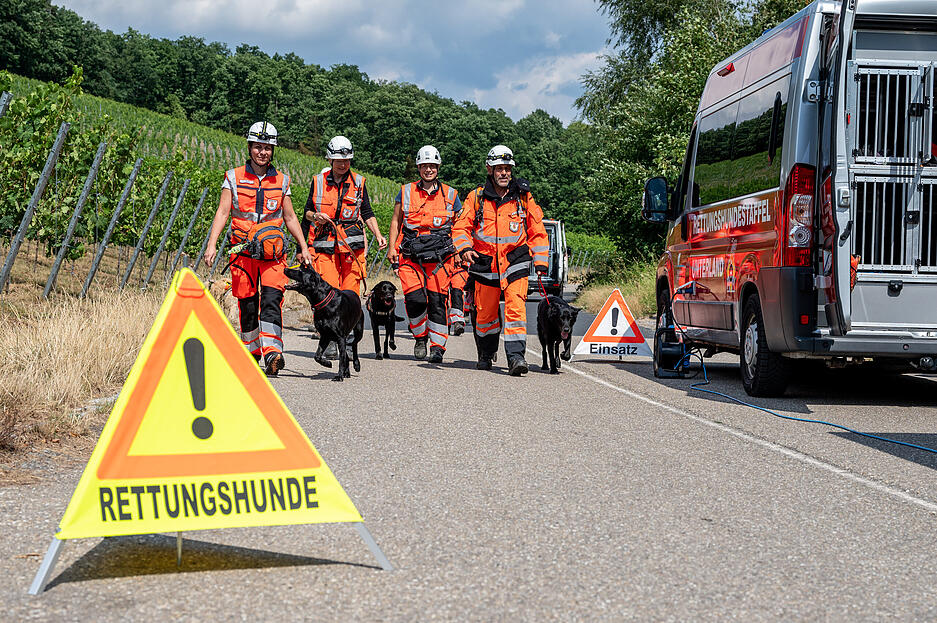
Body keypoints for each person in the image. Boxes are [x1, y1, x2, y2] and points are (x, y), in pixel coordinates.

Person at [204, 121, 313, 377]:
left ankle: (273, 352)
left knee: (273, 300)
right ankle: (252, 353)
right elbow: (222, 212)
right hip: (242, 252)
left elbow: (290, 217)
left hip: (273, 253)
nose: (262, 152)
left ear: (272, 151)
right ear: (250, 147)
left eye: (267, 148)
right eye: (258, 147)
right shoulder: (233, 176)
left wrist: (303, 246)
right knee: (248, 304)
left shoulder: (282, 180)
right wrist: (212, 245)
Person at [452, 145, 549, 376]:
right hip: (484, 264)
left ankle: (516, 358)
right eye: (499, 169)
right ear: (489, 170)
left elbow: (537, 230)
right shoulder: (476, 197)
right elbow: (460, 227)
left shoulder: (523, 197)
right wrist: (464, 248)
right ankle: (486, 353)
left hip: (515, 262)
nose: (504, 173)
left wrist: (541, 261)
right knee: (485, 314)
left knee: (516, 309)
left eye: (507, 168)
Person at [302, 136, 386, 359]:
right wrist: (315, 217)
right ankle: (328, 341)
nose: (343, 164)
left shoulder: (359, 182)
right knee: (327, 296)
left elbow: (366, 212)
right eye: (339, 159)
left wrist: (377, 234)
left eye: (347, 159)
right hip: (325, 247)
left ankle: (348, 343)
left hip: (351, 248)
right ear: (330, 158)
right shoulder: (318, 181)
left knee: (351, 297)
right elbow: (307, 212)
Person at [387, 145, 462, 363]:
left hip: (440, 258)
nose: (428, 169)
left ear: (437, 168)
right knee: (415, 300)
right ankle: (420, 337)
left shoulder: (451, 194)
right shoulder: (406, 191)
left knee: (438, 302)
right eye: (424, 166)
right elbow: (395, 220)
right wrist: (392, 247)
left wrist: (458, 250)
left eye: (432, 166)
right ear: (419, 168)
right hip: (411, 256)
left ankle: (438, 347)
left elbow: (459, 226)